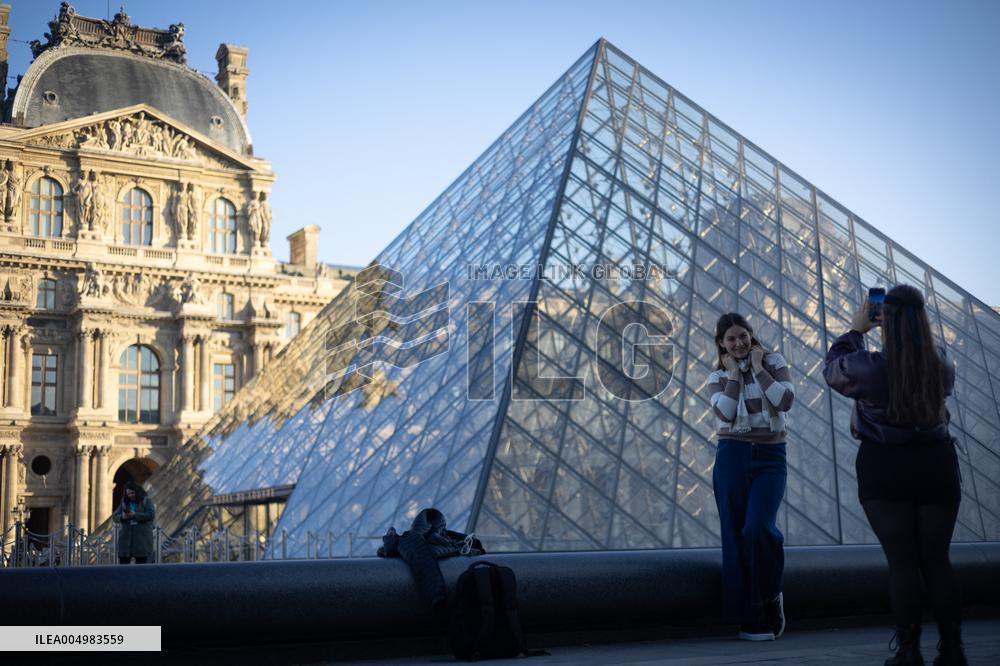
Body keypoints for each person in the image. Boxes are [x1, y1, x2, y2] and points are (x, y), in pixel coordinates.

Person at [823, 285, 966, 666]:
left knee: (902, 563)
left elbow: (833, 371)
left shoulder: (869, 368)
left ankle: (908, 650)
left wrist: (855, 331)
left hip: (885, 467)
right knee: (937, 560)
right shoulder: (943, 364)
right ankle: (953, 649)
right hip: (936, 464)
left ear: (884, 318)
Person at [707, 313, 795, 641]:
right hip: (732, 455)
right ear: (721, 344)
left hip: (771, 457)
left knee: (758, 527)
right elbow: (726, 413)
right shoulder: (717, 375)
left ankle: (772, 595)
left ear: (750, 334)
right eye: (730, 339)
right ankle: (750, 617)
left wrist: (758, 369)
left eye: (742, 335)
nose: (739, 343)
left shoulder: (774, 362)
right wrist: (733, 375)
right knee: (735, 536)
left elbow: (785, 401)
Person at [113, 481, 156, 564]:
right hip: (126, 540)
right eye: (128, 494)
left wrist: (134, 515)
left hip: (142, 540)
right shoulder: (124, 502)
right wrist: (122, 517)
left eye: (132, 493)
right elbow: (115, 516)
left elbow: (151, 515)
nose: (130, 495)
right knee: (123, 567)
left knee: (141, 567)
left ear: (138, 491)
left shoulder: (146, 500)